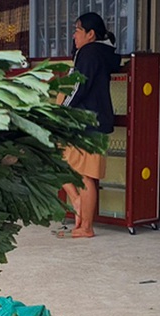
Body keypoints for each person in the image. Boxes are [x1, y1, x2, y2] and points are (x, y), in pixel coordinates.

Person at [58, 12, 121, 239]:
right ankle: (79, 209)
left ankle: (86, 226)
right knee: (78, 171)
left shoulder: (89, 53)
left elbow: (78, 86)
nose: (73, 35)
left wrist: (61, 110)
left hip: (86, 122)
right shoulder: (101, 54)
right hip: (94, 122)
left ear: (90, 34)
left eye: (77, 30)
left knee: (84, 175)